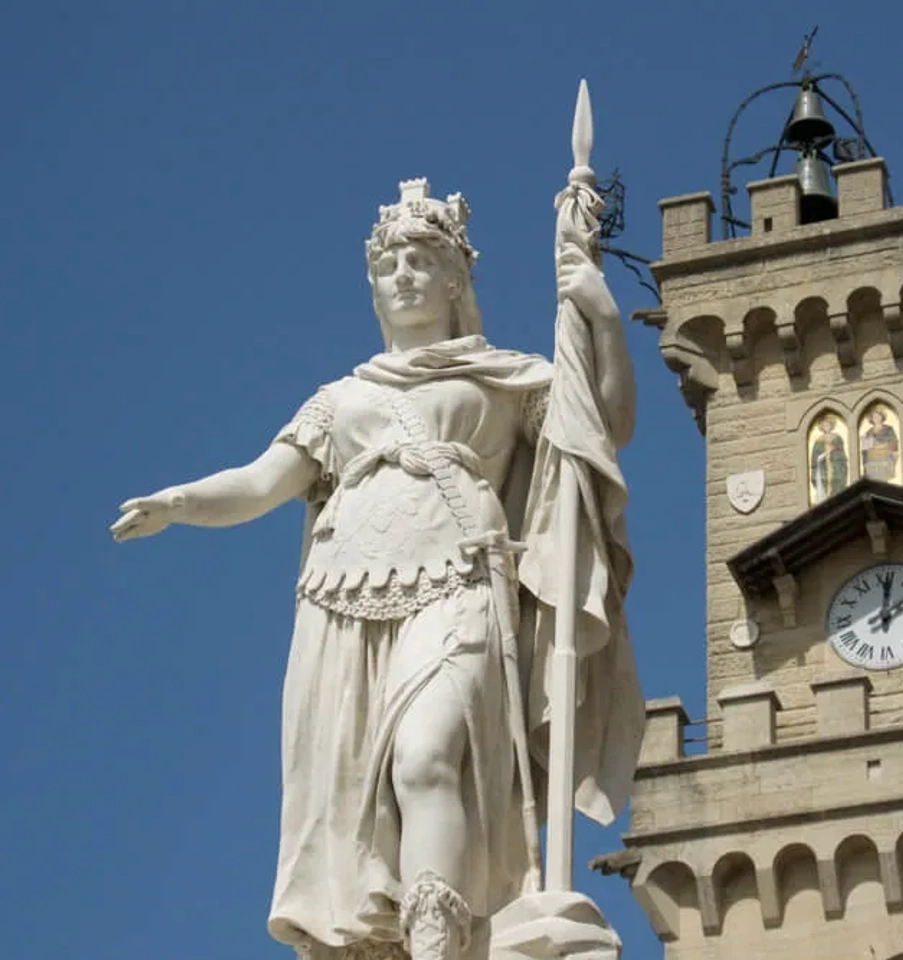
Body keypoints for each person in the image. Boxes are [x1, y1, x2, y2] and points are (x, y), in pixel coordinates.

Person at [111, 179, 643, 960]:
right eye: (390, 261)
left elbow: (603, 426)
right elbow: (264, 482)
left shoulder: (501, 376)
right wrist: (180, 498)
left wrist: (598, 310)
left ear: (456, 279)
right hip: (345, 598)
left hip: (459, 580)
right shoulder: (342, 399)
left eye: (422, 259)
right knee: (368, 779)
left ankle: (438, 940)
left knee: (427, 754)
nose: (403, 274)